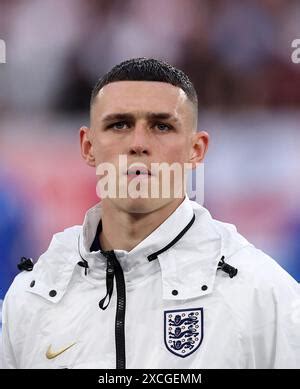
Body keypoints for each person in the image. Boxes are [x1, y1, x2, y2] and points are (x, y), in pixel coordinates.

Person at [1, 58, 300, 369]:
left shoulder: (263, 295)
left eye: (162, 126)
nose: (138, 144)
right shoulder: (30, 299)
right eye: (119, 124)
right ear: (88, 146)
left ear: (195, 149)